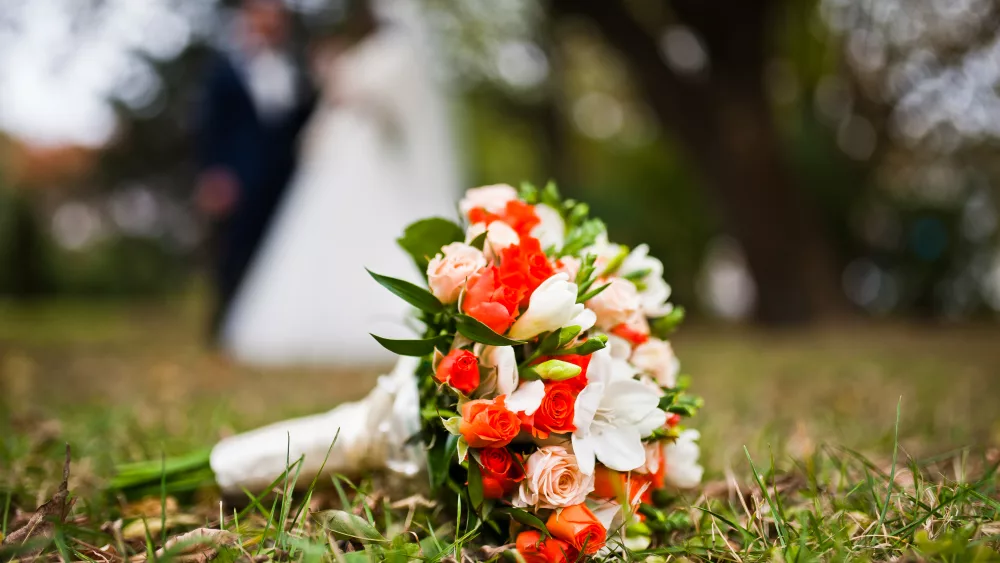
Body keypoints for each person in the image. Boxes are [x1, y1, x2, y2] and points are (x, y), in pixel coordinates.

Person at [220, 0, 461, 366]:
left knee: (372, 234)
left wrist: (343, 82)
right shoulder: (369, 50)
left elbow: (396, 113)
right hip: (346, 158)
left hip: (375, 162)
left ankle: (383, 322)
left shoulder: (399, 54)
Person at [194, 0, 316, 343]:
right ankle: (224, 328)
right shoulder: (226, 69)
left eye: (277, 17)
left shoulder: (295, 69)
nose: (271, 23)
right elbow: (210, 126)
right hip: (236, 177)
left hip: (284, 177)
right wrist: (213, 173)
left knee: (275, 249)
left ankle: (266, 329)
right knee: (233, 251)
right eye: (264, 15)